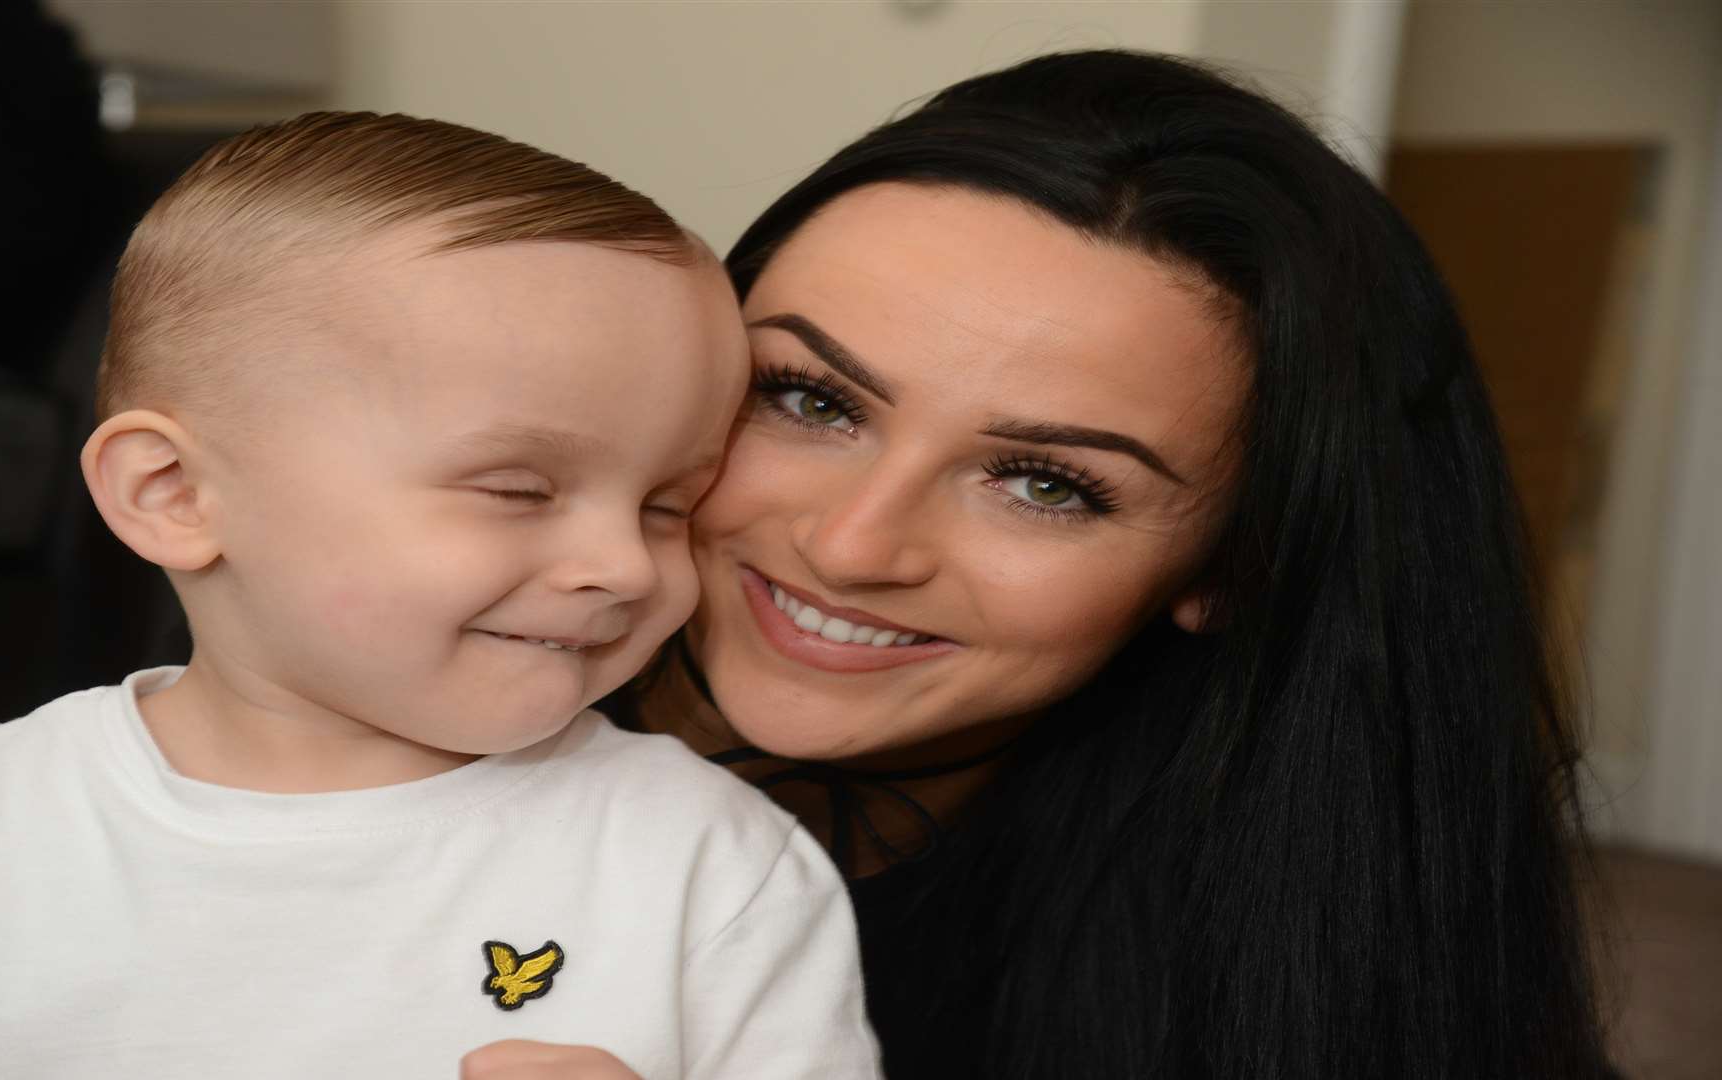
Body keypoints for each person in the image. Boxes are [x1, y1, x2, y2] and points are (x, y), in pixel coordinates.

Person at [0, 113, 880, 1080]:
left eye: (666, 505)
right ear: (174, 494)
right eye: (519, 488)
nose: (629, 566)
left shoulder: (712, 870)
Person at [606, 50, 1614, 1078]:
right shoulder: (443, 724)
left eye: (1047, 484)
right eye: (812, 400)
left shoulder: (1291, 986)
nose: (852, 545)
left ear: (1232, 566)